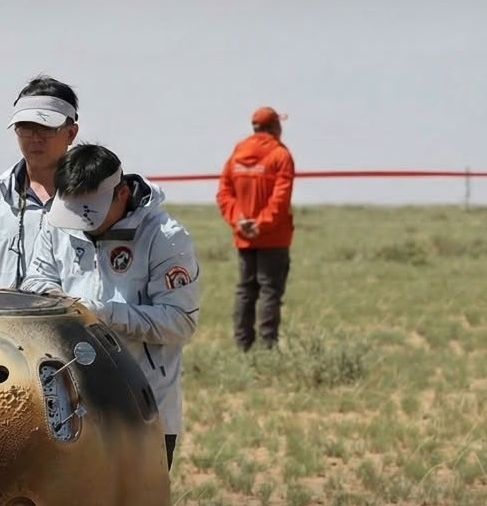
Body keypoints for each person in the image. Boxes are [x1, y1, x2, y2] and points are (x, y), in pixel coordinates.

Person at [20, 143, 201, 470]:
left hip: (141, 406)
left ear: (120, 194)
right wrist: (55, 301)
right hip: (67, 401)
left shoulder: (164, 237)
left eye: (90, 212)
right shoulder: (58, 222)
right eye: (74, 211)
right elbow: (36, 278)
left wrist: (106, 314)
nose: (83, 223)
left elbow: (180, 321)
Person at [0, 75, 79, 289]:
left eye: (46, 128)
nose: (35, 138)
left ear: (71, 133)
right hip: (2, 321)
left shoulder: (96, 198)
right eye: (25, 127)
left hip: (72, 321)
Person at [215, 106, 295, 351]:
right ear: (274, 127)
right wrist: (260, 224)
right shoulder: (281, 156)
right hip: (273, 238)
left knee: (246, 291)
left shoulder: (237, 153)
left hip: (244, 236)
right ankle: (267, 347)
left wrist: (239, 220)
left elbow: (224, 192)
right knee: (270, 291)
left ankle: (243, 347)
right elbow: (280, 199)